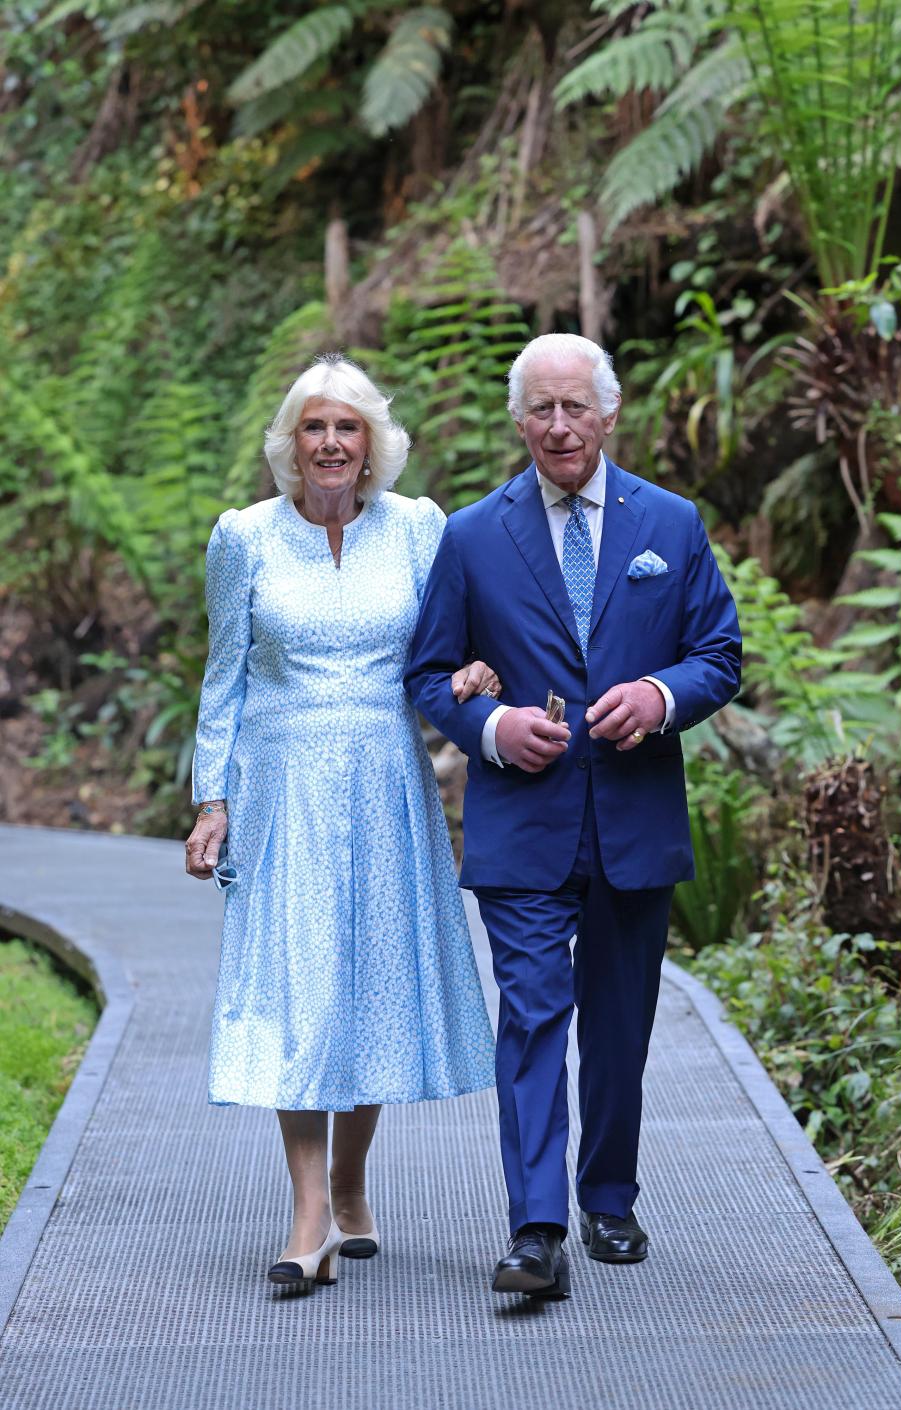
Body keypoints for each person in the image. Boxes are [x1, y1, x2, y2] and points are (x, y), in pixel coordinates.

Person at [406, 332, 741, 1300]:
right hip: (522, 823)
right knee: (534, 1018)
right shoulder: (470, 535)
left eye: (575, 408)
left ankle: (608, 1197)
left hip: (635, 819)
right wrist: (493, 725)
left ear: (609, 411)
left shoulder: (670, 525)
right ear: (519, 421)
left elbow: (717, 651)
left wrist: (661, 697)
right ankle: (535, 1227)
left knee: (620, 1024)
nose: (559, 427)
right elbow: (431, 672)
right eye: (541, 410)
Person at [185, 354, 497, 1289]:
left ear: (372, 446)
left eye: (347, 428)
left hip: (384, 779)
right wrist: (212, 799)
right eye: (314, 427)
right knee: (298, 982)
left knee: (366, 981)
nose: (329, 443)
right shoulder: (243, 537)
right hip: (280, 786)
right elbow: (223, 676)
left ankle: (354, 1184)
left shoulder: (417, 530)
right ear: (292, 443)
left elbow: (442, 651)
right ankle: (310, 1213)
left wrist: (470, 681)